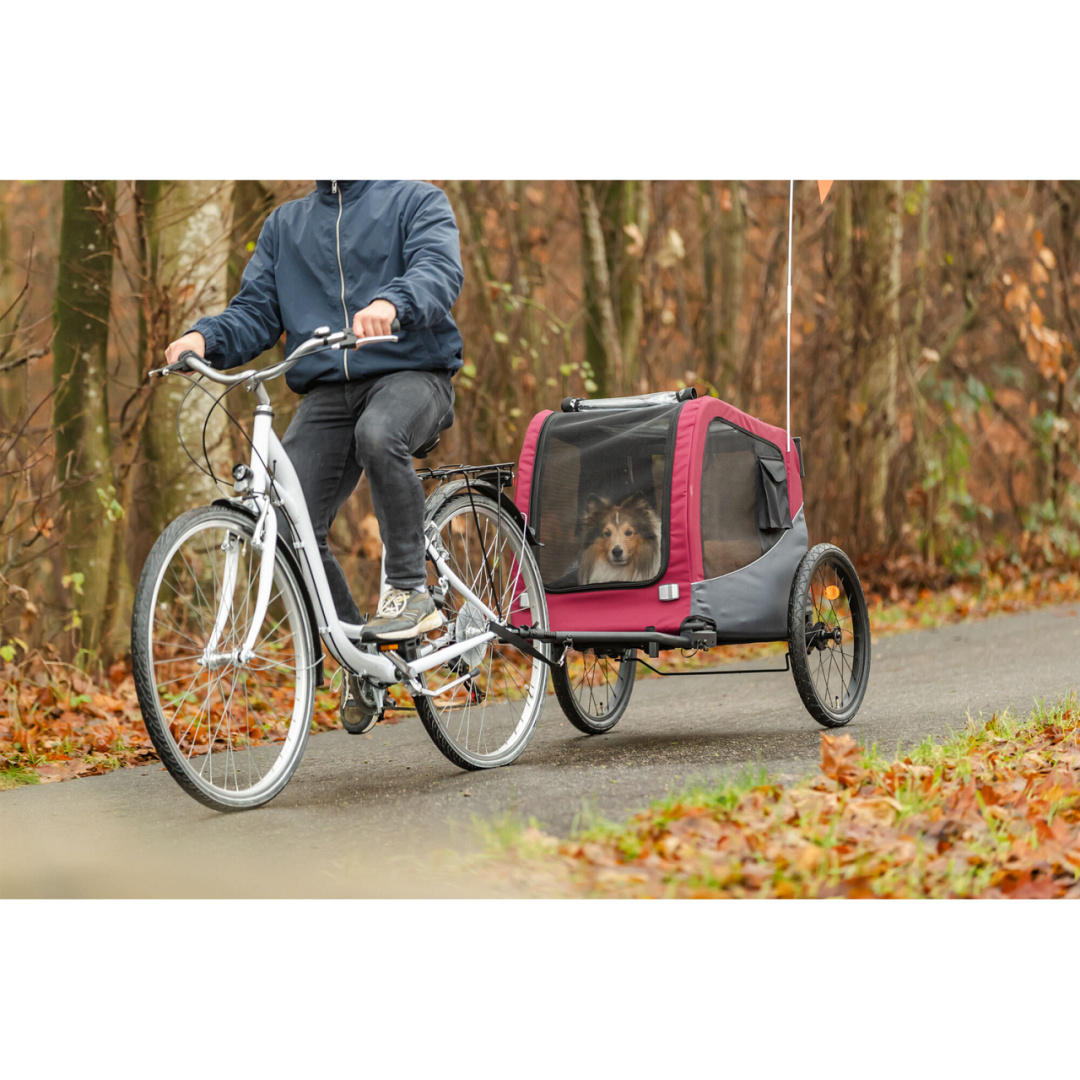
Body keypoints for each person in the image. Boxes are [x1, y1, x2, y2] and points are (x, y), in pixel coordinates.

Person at [164, 179, 465, 732]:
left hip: (412, 373)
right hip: (328, 390)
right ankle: (360, 656)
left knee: (379, 433)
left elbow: (438, 270)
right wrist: (204, 339)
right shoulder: (286, 225)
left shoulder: (415, 199)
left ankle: (409, 590)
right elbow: (256, 311)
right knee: (284, 517)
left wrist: (391, 304)